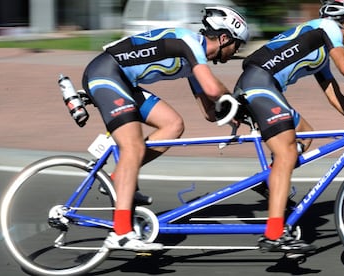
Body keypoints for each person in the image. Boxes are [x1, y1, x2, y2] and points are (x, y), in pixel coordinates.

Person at [233, 0, 344, 253]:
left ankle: (270, 182)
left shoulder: (318, 47)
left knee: (304, 135)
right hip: (259, 83)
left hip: (263, 85)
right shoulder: (327, 28)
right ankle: (274, 234)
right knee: (287, 152)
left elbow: (334, 94)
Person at [81, 6, 249, 251]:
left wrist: (232, 114)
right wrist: (237, 100)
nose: (237, 51)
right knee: (133, 145)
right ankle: (120, 232)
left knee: (173, 124)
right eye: (237, 45)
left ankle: (119, 178)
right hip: (106, 74)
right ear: (224, 39)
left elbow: (208, 111)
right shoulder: (189, 42)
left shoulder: (195, 60)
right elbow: (214, 90)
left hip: (124, 83)